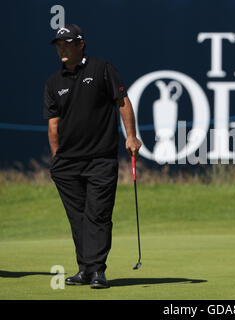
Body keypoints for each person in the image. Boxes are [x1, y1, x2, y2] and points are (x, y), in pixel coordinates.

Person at [44, 24, 142, 289]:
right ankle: (84, 269)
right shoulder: (54, 82)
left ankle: (98, 270)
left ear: (80, 44)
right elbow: (53, 124)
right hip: (67, 163)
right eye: (59, 46)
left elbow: (122, 102)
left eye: (67, 44)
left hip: (100, 158)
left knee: (97, 214)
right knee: (78, 218)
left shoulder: (102, 69)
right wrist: (56, 160)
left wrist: (130, 136)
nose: (62, 49)